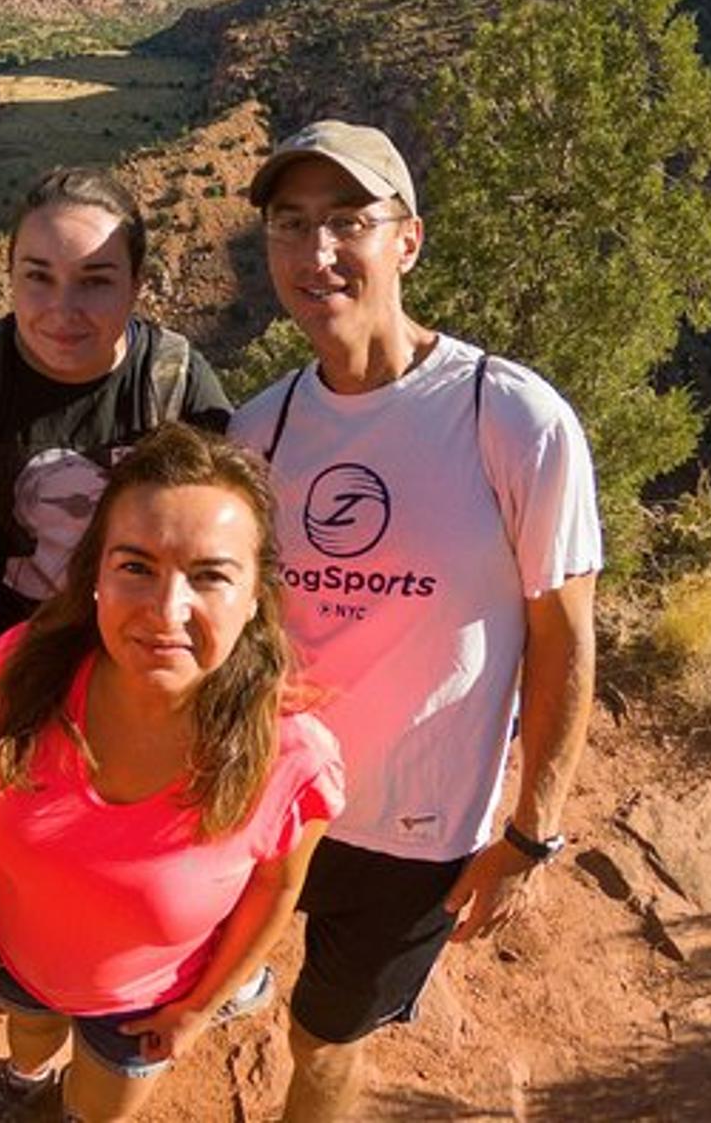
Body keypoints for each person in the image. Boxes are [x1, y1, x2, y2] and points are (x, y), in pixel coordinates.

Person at [225, 121, 601, 1120]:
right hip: (267, 799)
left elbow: (562, 638)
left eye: (347, 221)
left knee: (321, 1037)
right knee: (200, 983)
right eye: (289, 224)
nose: (316, 253)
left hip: (416, 828)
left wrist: (531, 832)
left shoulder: (507, 417)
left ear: (407, 240)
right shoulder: (256, 429)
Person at [0, 423, 343, 1123]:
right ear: (95, 574)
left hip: (144, 1005)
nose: (167, 611)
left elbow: (277, 888)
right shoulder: (24, 670)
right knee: (31, 1031)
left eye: (211, 575)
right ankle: (25, 1074)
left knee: (96, 1110)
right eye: (136, 565)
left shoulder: (291, 756)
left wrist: (200, 1008)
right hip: (12, 956)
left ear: (255, 596)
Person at [0, 167, 233, 730]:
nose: (63, 308)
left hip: (134, 679)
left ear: (137, 284)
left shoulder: (174, 382)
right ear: (9, 275)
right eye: (39, 276)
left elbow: (221, 556)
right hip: (4, 674)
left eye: (95, 280)